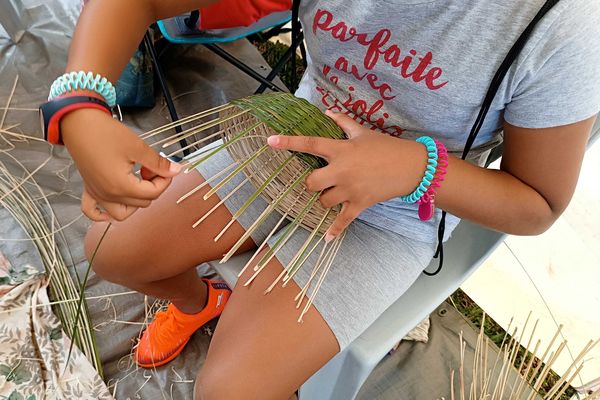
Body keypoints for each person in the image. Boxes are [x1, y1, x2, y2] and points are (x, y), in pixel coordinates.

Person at [54, 0, 599, 398]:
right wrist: (80, 103)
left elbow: (537, 203)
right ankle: (203, 301)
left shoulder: (564, 28)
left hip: (395, 211)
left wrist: (414, 166)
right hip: (291, 140)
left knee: (230, 391)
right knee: (111, 248)